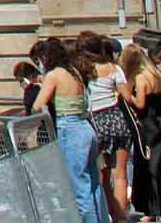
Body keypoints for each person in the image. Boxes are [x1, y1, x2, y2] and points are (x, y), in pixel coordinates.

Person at [31, 34, 107, 223]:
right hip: (85, 127)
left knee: (79, 186)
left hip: (69, 128)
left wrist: (42, 87)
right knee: (93, 183)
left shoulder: (54, 75)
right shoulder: (75, 71)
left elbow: (37, 106)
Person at [79, 33, 133, 223]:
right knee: (120, 174)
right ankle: (120, 219)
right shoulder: (113, 68)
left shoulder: (82, 71)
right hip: (116, 120)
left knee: (101, 174)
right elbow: (127, 97)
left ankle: (107, 213)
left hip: (94, 123)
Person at [122, 45, 161, 221]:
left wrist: (128, 95)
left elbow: (141, 104)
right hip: (158, 122)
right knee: (158, 166)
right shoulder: (157, 75)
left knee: (147, 166)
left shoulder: (142, 78)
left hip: (147, 124)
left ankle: (151, 210)